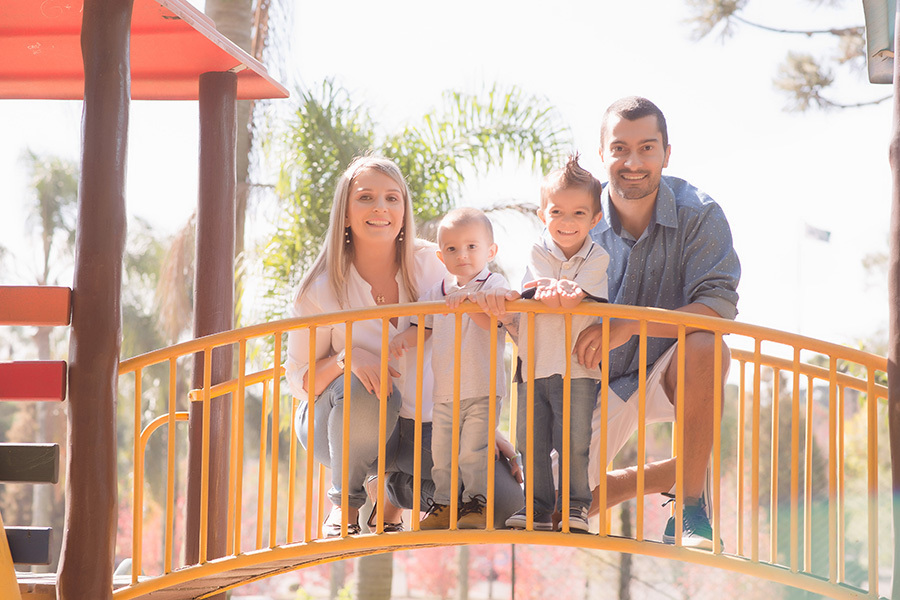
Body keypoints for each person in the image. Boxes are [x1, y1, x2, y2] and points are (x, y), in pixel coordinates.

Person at [573, 96, 741, 549]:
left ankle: (690, 508)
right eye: (620, 148)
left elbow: (719, 306)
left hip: (668, 369)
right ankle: (677, 470)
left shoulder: (699, 214)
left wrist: (633, 326)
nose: (633, 161)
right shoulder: (575, 218)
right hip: (594, 377)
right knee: (549, 511)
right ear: (602, 154)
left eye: (647, 148)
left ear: (667, 153)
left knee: (707, 345)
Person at [285, 155, 444, 537]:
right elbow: (297, 380)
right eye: (366, 197)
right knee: (368, 385)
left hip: (413, 427)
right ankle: (346, 505)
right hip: (337, 428)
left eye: (392, 198)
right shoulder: (320, 290)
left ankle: (393, 488)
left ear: (404, 213)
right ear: (345, 214)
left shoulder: (432, 266)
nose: (380, 208)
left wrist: (485, 433)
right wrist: (347, 359)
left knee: (496, 498)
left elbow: (464, 345)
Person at [502, 154, 610, 533]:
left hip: (578, 369)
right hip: (534, 365)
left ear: (595, 219)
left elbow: (569, 297)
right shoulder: (536, 253)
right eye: (557, 212)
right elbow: (545, 294)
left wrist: (563, 293)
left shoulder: (599, 258)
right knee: (530, 442)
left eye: (579, 214)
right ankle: (536, 507)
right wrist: (558, 293)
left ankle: (576, 506)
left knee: (575, 442)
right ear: (542, 215)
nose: (567, 223)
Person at [389, 208, 512, 530]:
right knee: (442, 454)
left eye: (472, 247)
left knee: (474, 451)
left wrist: (472, 306)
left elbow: (495, 324)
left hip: (482, 389)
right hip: (444, 393)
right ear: (442, 257)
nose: (463, 255)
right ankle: (443, 504)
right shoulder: (437, 293)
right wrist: (403, 338)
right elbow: (424, 327)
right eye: (453, 249)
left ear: (490, 251)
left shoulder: (493, 284)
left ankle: (476, 504)